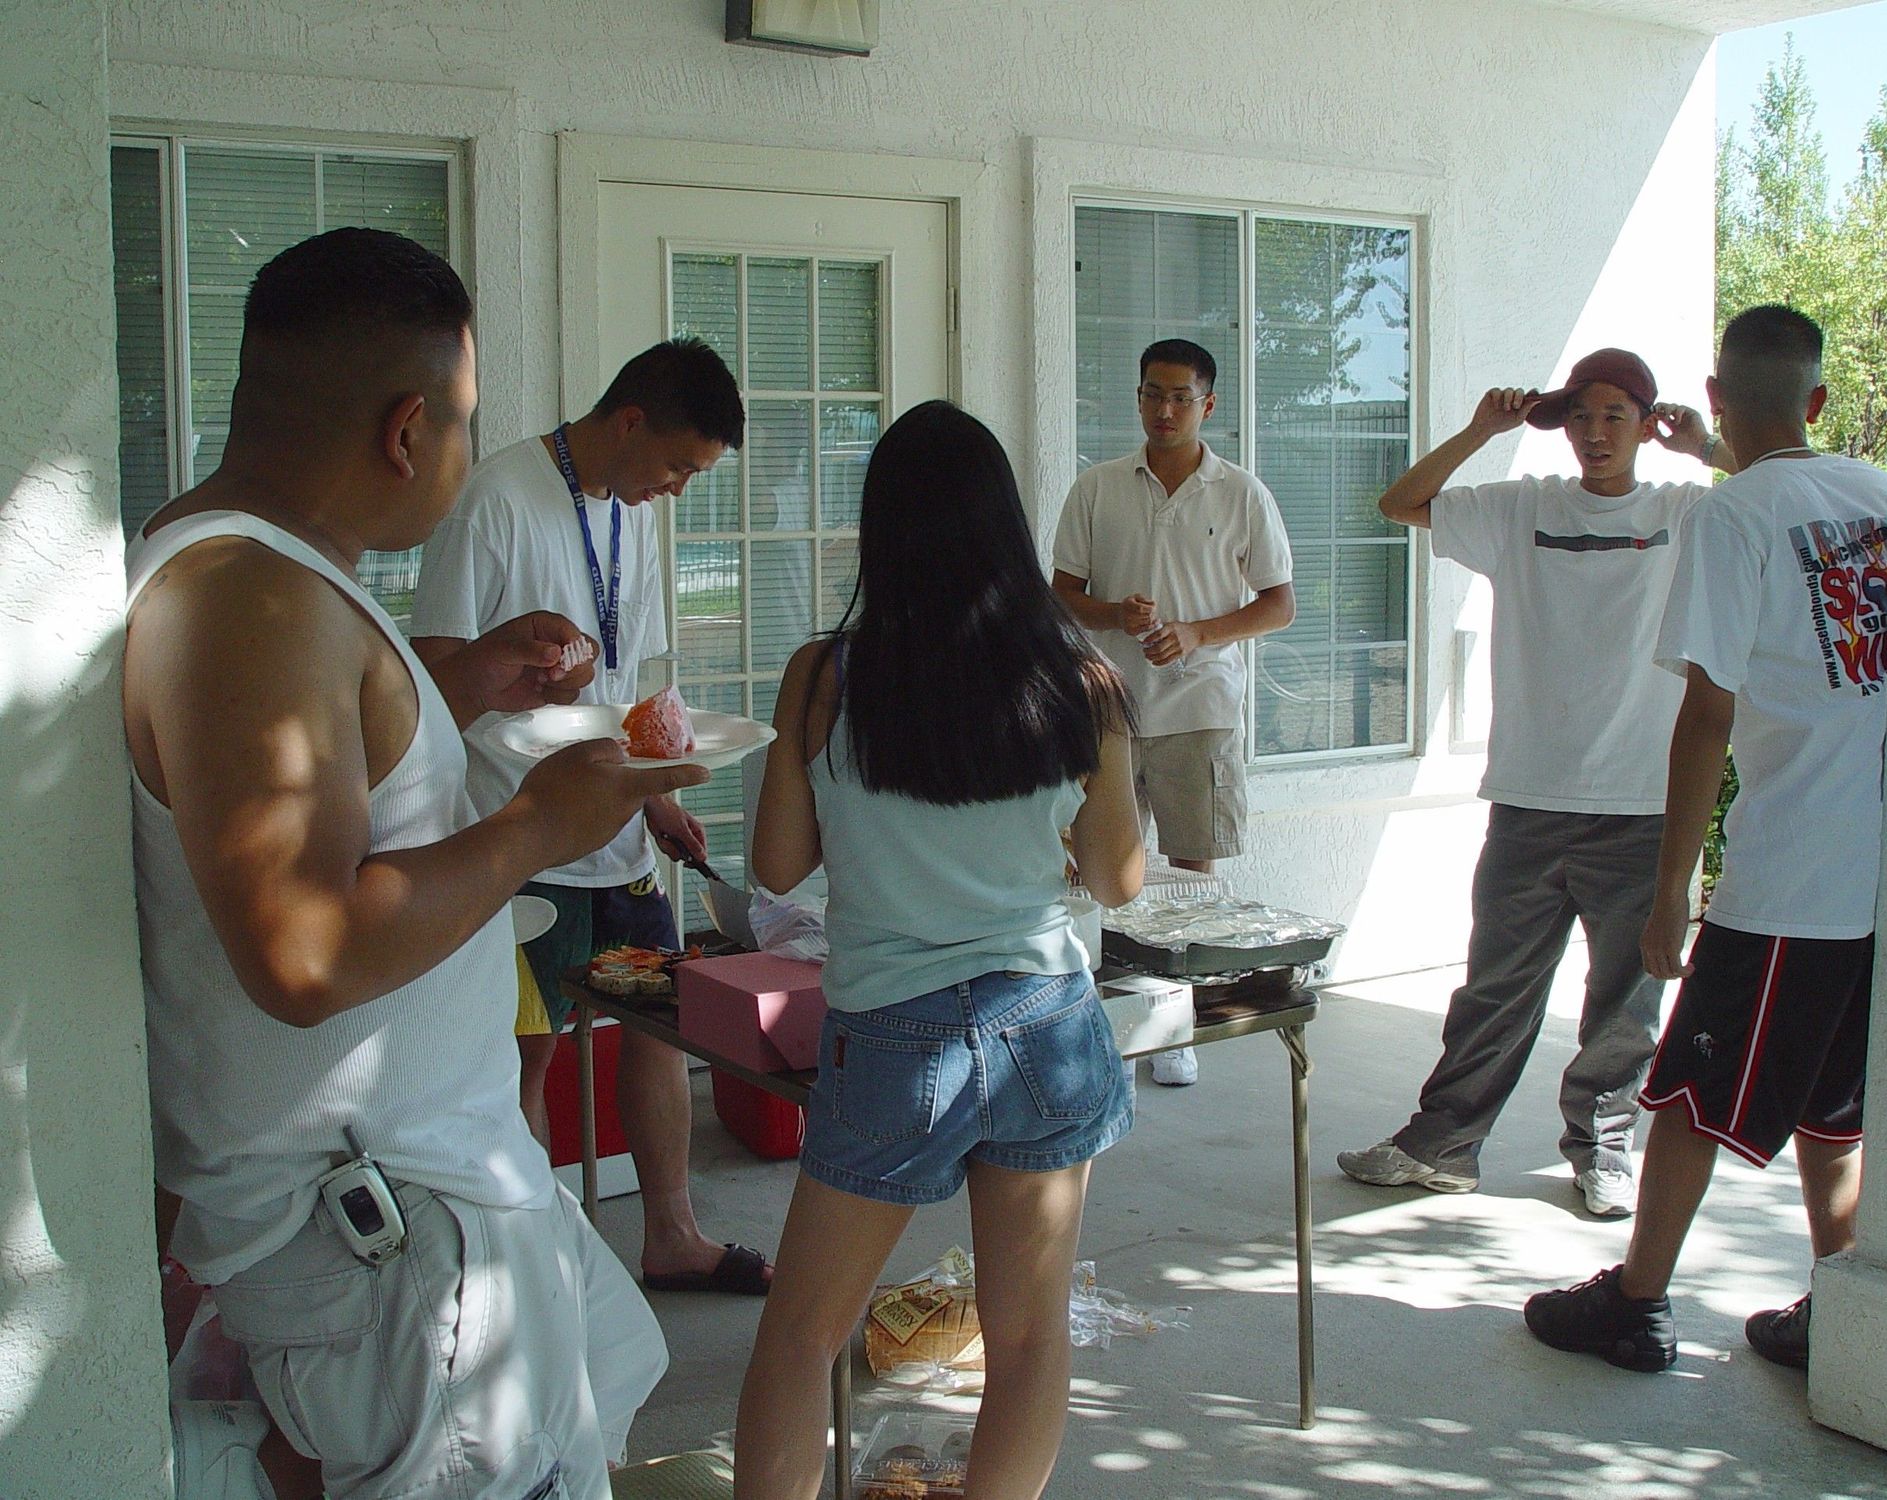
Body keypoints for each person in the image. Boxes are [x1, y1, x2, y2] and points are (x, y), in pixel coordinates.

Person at [124, 227, 701, 1497]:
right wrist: (537, 827)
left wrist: (468, 676)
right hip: (392, 1244)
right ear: (406, 429)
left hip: (418, 1201)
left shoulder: (247, 563)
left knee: (600, 1384)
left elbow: (327, 765)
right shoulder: (248, 601)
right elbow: (305, 950)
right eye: (463, 420)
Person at [732, 401, 1144, 1500]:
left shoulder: (824, 675)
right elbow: (1117, 879)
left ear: (881, 531)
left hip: (891, 1033)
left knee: (800, 1337)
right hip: (1044, 1021)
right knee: (1027, 1336)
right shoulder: (1080, 680)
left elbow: (777, 865)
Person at [1524, 305, 1887, 1372]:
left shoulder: (1731, 517)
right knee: (1834, 1100)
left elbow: (1706, 714)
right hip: (1886, 870)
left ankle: (1637, 1301)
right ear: (1818, 400)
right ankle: (1841, 1301)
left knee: (1689, 1087)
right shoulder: (1884, 496)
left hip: (1791, 872)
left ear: (1717, 396)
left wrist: (1670, 888)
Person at [1338, 348, 1737, 1218]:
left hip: (1641, 804)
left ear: (1646, 424)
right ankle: (1443, 1144)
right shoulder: (1522, 508)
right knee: (1495, 985)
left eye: (1615, 416)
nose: (1595, 433)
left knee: (1625, 1000)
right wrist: (1481, 430)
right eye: (1581, 416)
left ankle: (1603, 1147)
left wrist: (1707, 448)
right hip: (1529, 798)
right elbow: (1400, 502)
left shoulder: (1685, 512)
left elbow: (1779, 497)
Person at [411, 338, 773, 1296]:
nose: (677, 490)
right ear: (629, 422)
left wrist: (656, 799)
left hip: (618, 837)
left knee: (659, 1031)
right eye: (677, 466)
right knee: (524, 1057)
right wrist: (520, 671)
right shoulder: (496, 498)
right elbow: (433, 673)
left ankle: (674, 1237)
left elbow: (630, 680)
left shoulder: (628, 513)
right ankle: (540, 1271)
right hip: (518, 835)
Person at [1052, 338, 1295, 1086]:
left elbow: (1279, 604)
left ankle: (1175, 1026)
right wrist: (1114, 616)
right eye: (1153, 394)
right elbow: (1061, 595)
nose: (1165, 409)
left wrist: (1196, 633)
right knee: (1102, 871)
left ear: (1207, 405)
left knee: (1192, 871)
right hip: (1109, 710)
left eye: (1181, 397)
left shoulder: (1241, 492)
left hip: (1201, 708)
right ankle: (1108, 1023)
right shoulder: (1097, 487)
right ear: (1138, 398)